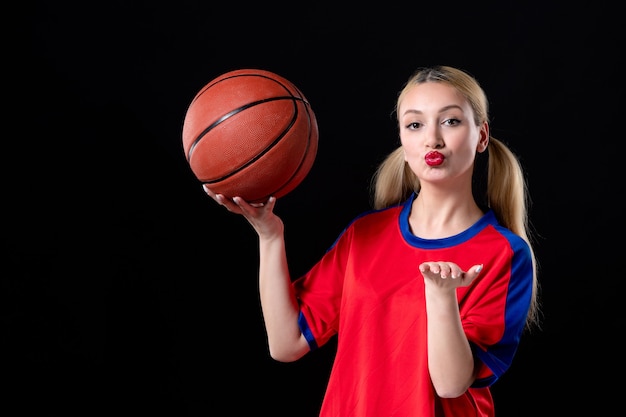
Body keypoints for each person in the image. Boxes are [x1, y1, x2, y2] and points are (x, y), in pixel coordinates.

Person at [203, 65, 540, 417]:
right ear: (402, 138)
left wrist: (441, 298)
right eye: (415, 124)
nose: (432, 139)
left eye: (451, 121)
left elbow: (450, 384)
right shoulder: (364, 235)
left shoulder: (505, 254)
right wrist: (270, 237)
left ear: (482, 135)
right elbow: (286, 344)